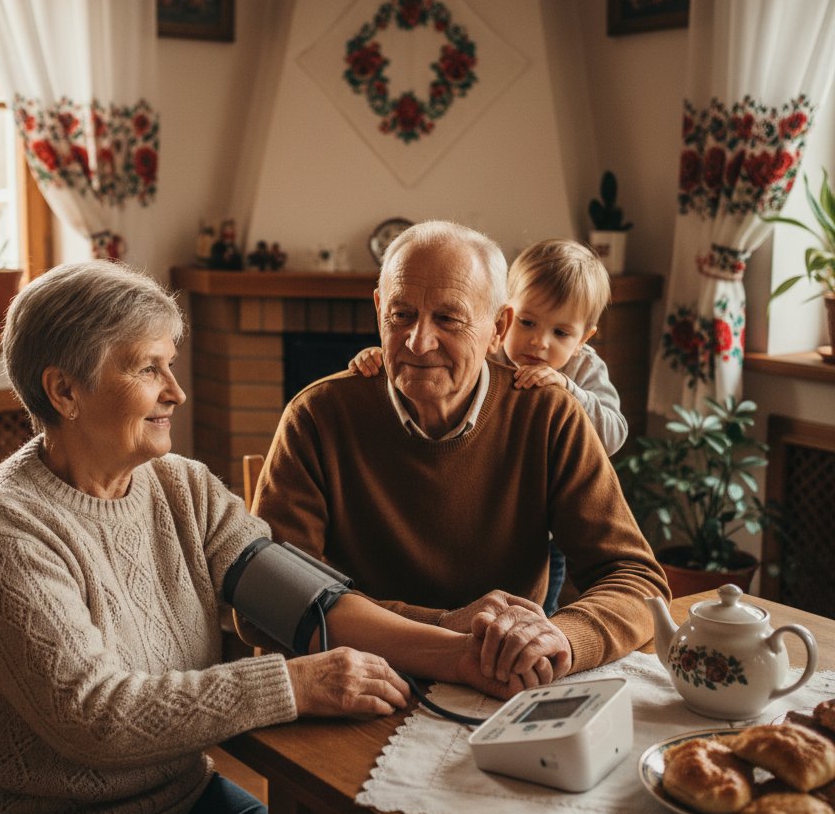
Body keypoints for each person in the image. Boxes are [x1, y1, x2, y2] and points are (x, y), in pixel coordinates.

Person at [0, 259, 539, 814]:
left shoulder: (179, 487)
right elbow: (94, 718)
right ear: (65, 390)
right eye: (148, 368)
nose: (175, 390)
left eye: (170, 364)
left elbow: (306, 601)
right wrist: (294, 684)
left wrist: (454, 646)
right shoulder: (0, 527)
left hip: (166, 808)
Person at [254, 220, 668, 688]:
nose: (418, 342)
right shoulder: (317, 415)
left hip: (504, 679)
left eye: (448, 319)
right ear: (378, 311)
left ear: (498, 328)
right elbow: (265, 598)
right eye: (401, 315)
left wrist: (561, 637)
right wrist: (443, 628)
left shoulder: (549, 414)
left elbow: (635, 578)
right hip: (363, 679)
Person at [348, 236, 627, 613]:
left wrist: (568, 392)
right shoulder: (484, 349)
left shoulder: (582, 370)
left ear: (583, 340)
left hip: (542, 532)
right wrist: (378, 355)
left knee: (538, 608)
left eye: (561, 333)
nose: (539, 343)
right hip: (481, 517)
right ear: (502, 318)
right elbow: (421, 349)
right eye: (527, 322)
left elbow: (613, 433)